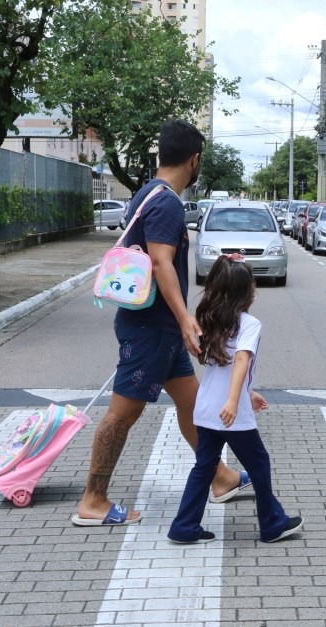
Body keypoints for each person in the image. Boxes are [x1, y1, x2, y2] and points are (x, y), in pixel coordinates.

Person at [72, 120, 251, 527]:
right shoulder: (167, 202)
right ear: (195, 159)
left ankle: (220, 478)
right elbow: (159, 262)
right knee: (122, 414)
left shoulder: (145, 194)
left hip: (159, 328)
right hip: (151, 329)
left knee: (192, 405)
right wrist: (186, 318)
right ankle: (93, 500)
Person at [168, 255, 303, 543]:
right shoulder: (249, 324)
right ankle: (272, 524)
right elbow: (241, 359)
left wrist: (247, 392)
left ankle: (184, 526)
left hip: (205, 408)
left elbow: (221, 365)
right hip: (230, 413)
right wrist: (233, 401)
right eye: (252, 286)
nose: (254, 291)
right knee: (259, 464)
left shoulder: (209, 318)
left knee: (203, 467)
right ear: (245, 293)